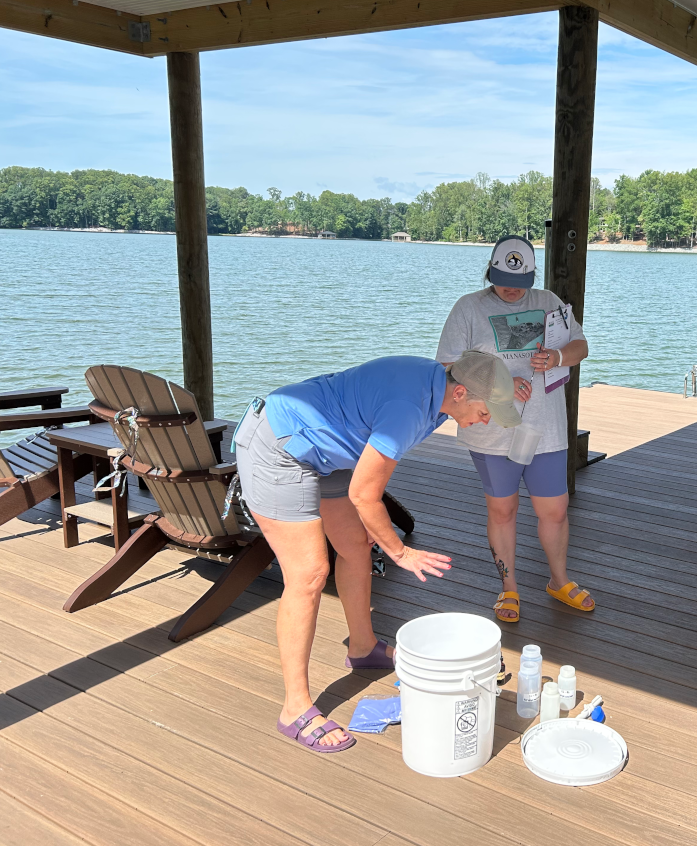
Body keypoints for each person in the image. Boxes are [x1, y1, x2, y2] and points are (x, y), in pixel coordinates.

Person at [233, 351, 520, 753]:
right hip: (278, 447)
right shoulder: (409, 409)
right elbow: (364, 496)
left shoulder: (444, 386)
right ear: (458, 392)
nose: (488, 419)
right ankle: (294, 708)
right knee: (310, 574)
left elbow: (465, 362)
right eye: (486, 410)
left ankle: (363, 648)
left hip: (328, 452)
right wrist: (401, 552)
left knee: (355, 547)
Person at [436, 235, 594, 623]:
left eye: (520, 283)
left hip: (547, 428)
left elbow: (581, 345)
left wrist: (557, 355)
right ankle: (509, 589)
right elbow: (446, 368)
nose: (511, 289)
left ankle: (559, 580)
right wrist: (498, 384)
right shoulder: (467, 308)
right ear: (489, 271)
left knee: (554, 509)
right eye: (503, 279)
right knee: (503, 509)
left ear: (533, 277)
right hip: (492, 430)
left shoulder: (549, 302)